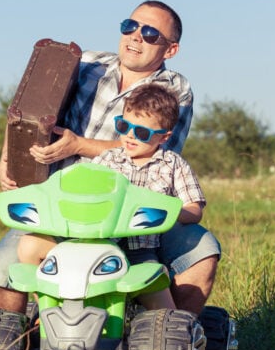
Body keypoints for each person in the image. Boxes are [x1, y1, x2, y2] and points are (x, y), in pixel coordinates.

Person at [0, 0, 220, 316]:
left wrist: (77, 145)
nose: (136, 36)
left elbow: (156, 154)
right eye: (130, 26)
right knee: (3, 265)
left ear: (170, 50)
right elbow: (27, 106)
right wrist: (9, 155)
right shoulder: (86, 63)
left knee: (202, 251)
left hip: (133, 212)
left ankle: (169, 345)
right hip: (60, 204)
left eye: (151, 33)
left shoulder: (174, 90)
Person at [18, 83, 207, 312]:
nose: (129, 136)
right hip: (93, 245)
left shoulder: (173, 165)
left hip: (139, 252)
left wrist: (169, 210)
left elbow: (194, 209)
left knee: (165, 313)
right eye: (124, 125)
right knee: (29, 245)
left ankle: (167, 335)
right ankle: (47, 311)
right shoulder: (108, 159)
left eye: (142, 132)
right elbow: (79, 189)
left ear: (164, 137)